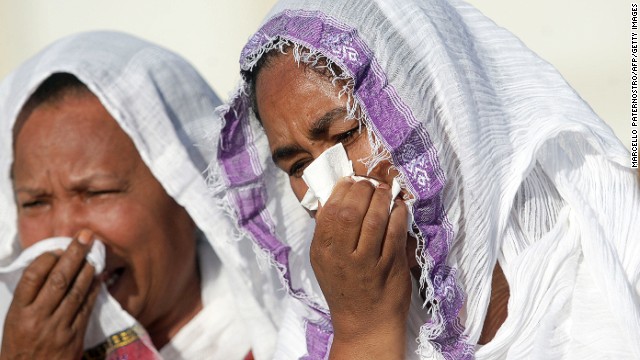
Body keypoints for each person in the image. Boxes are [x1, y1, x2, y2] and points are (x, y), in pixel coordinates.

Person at [209, 0, 640, 359]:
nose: (330, 190)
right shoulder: (322, 325)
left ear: (442, 108)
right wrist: (364, 333)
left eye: (345, 133)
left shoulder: (617, 250)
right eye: (298, 166)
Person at [0, 31, 282, 359]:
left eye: (96, 193)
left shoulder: (302, 341)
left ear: (190, 194)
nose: (64, 235)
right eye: (35, 202)